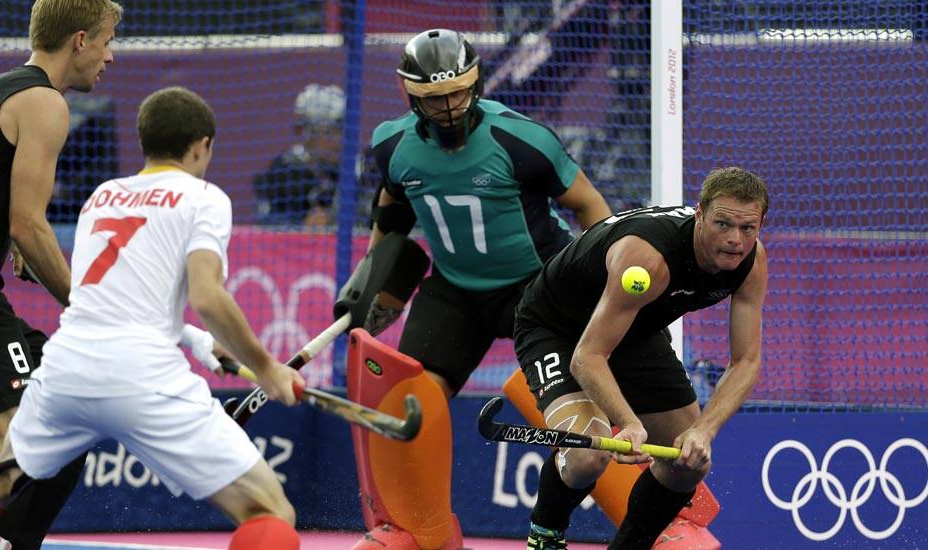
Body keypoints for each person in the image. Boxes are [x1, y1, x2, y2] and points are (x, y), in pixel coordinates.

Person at [0, 86, 305, 550]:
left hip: (65, 371)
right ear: (203, 145)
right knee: (272, 512)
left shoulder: (103, 197)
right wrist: (267, 369)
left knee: (0, 480)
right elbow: (208, 296)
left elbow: (113, 302)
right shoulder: (204, 198)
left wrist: (196, 341)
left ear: (144, 143)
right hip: (142, 376)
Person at [353, 28, 613, 549]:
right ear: (410, 95)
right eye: (432, 98)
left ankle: (657, 523)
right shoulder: (390, 145)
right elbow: (394, 211)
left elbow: (590, 207)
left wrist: (602, 284)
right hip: (454, 293)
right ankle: (419, 531)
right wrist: (373, 281)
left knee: (577, 423)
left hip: (536, 290)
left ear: (475, 84)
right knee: (408, 402)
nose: (448, 107)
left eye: (456, 93)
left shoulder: (522, 139)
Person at [514, 167, 768, 549]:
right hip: (556, 328)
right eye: (723, 224)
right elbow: (588, 355)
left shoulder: (750, 263)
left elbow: (746, 361)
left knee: (689, 464)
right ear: (699, 213)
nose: (735, 240)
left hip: (634, 331)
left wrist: (704, 431)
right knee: (588, 454)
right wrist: (628, 423)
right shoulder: (648, 259)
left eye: (748, 228)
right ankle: (545, 535)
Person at [0, 1, 122, 548]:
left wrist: (11, 235)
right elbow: (29, 223)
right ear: (81, 40)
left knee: (64, 421)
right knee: (22, 433)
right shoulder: (45, 102)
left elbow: (15, 216)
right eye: (110, 41)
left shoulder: (4, 87)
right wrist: (86, 307)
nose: (111, 57)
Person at [252, 83, 345, 226]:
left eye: (341, 131)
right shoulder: (284, 172)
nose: (338, 142)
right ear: (309, 134)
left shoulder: (351, 173)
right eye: (330, 132)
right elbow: (266, 224)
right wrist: (301, 227)